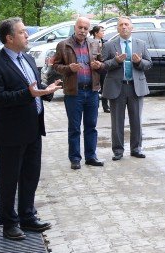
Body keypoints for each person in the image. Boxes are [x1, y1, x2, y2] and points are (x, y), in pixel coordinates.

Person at [0, 17, 60, 243]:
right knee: (9, 179)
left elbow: (34, 87)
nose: (27, 36)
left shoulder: (26, 57)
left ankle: (27, 215)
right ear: (9, 38)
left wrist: (48, 90)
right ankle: (9, 223)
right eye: (22, 32)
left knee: (30, 175)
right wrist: (30, 94)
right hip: (11, 132)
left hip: (33, 128)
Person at [52, 17, 104, 169]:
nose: (82, 31)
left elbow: (102, 65)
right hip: (74, 92)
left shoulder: (95, 43)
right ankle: (75, 158)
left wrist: (99, 65)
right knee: (74, 128)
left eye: (85, 28)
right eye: (80, 27)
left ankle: (91, 156)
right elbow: (55, 66)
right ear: (75, 27)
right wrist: (69, 69)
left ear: (89, 30)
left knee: (91, 126)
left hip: (92, 91)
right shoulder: (63, 45)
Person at [99, 16, 152, 160]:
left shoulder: (140, 44)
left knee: (136, 120)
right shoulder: (110, 45)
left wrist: (139, 61)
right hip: (117, 87)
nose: (124, 27)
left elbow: (149, 64)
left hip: (136, 87)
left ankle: (136, 148)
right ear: (117, 28)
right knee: (117, 122)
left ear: (131, 27)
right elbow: (103, 66)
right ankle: (118, 150)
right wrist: (116, 61)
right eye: (121, 25)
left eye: (126, 24)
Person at [91, 24, 111, 113]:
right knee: (94, 86)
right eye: (101, 31)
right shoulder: (89, 43)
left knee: (105, 86)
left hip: (103, 68)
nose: (103, 33)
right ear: (96, 33)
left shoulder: (106, 42)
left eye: (104, 31)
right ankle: (94, 105)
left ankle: (105, 106)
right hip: (93, 68)